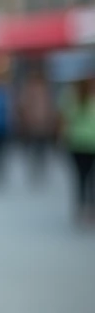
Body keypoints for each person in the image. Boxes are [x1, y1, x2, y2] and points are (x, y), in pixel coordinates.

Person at [60, 77, 95, 222]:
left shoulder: (71, 97)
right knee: (91, 179)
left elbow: (64, 120)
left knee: (80, 177)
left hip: (76, 143)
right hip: (90, 143)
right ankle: (90, 209)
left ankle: (81, 208)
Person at [17, 67, 57, 181]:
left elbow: (50, 107)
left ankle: (40, 167)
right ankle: (34, 167)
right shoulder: (28, 90)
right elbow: (23, 107)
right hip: (32, 124)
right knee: (33, 146)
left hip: (43, 124)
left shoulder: (46, 90)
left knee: (42, 147)